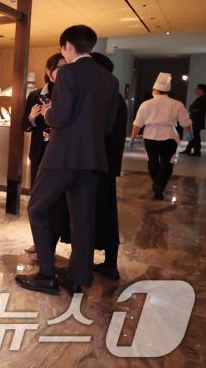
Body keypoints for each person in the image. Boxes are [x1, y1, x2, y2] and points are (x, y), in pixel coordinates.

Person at [15, 25, 118, 296]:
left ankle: (47, 275)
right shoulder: (110, 80)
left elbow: (59, 117)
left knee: (37, 208)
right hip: (93, 157)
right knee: (83, 218)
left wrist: (47, 113)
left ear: (67, 46)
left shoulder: (68, 73)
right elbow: (108, 127)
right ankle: (77, 277)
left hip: (62, 155)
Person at [22, 54, 69, 260]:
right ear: (48, 70)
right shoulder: (35, 95)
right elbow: (24, 126)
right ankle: (39, 243)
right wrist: (32, 118)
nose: (62, 71)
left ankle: (47, 248)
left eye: (66, 67)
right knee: (37, 203)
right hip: (39, 155)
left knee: (55, 205)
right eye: (59, 67)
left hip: (59, 157)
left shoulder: (68, 94)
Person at [90, 52, 127, 281]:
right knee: (104, 213)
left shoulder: (106, 98)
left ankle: (109, 264)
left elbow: (101, 132)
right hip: (105, 164)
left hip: (99, 165)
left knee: (101, 214)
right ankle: (108, 263)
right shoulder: (115, 96)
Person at [131, 73, 192, 200]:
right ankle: (159, 185)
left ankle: (157, 184)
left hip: (150, 136)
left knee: (152, 161)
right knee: (167, 162)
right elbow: (186, 122)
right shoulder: (177, 104)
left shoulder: (145, 104)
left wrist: (133, 137)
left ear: (155, 89)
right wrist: (190, 134)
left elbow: (138, 123)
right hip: (169, 136)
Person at [181, 83, 206, 156]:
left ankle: (197, 151)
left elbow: (196, 109)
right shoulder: (202, 98)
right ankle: (188, 149)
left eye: (197, 89)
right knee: (193, 135)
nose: (195, 90)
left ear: (201, 90)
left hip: (197, 120)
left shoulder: (203, 98)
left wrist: (192, 109)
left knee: (195, 136)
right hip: (196, 119)